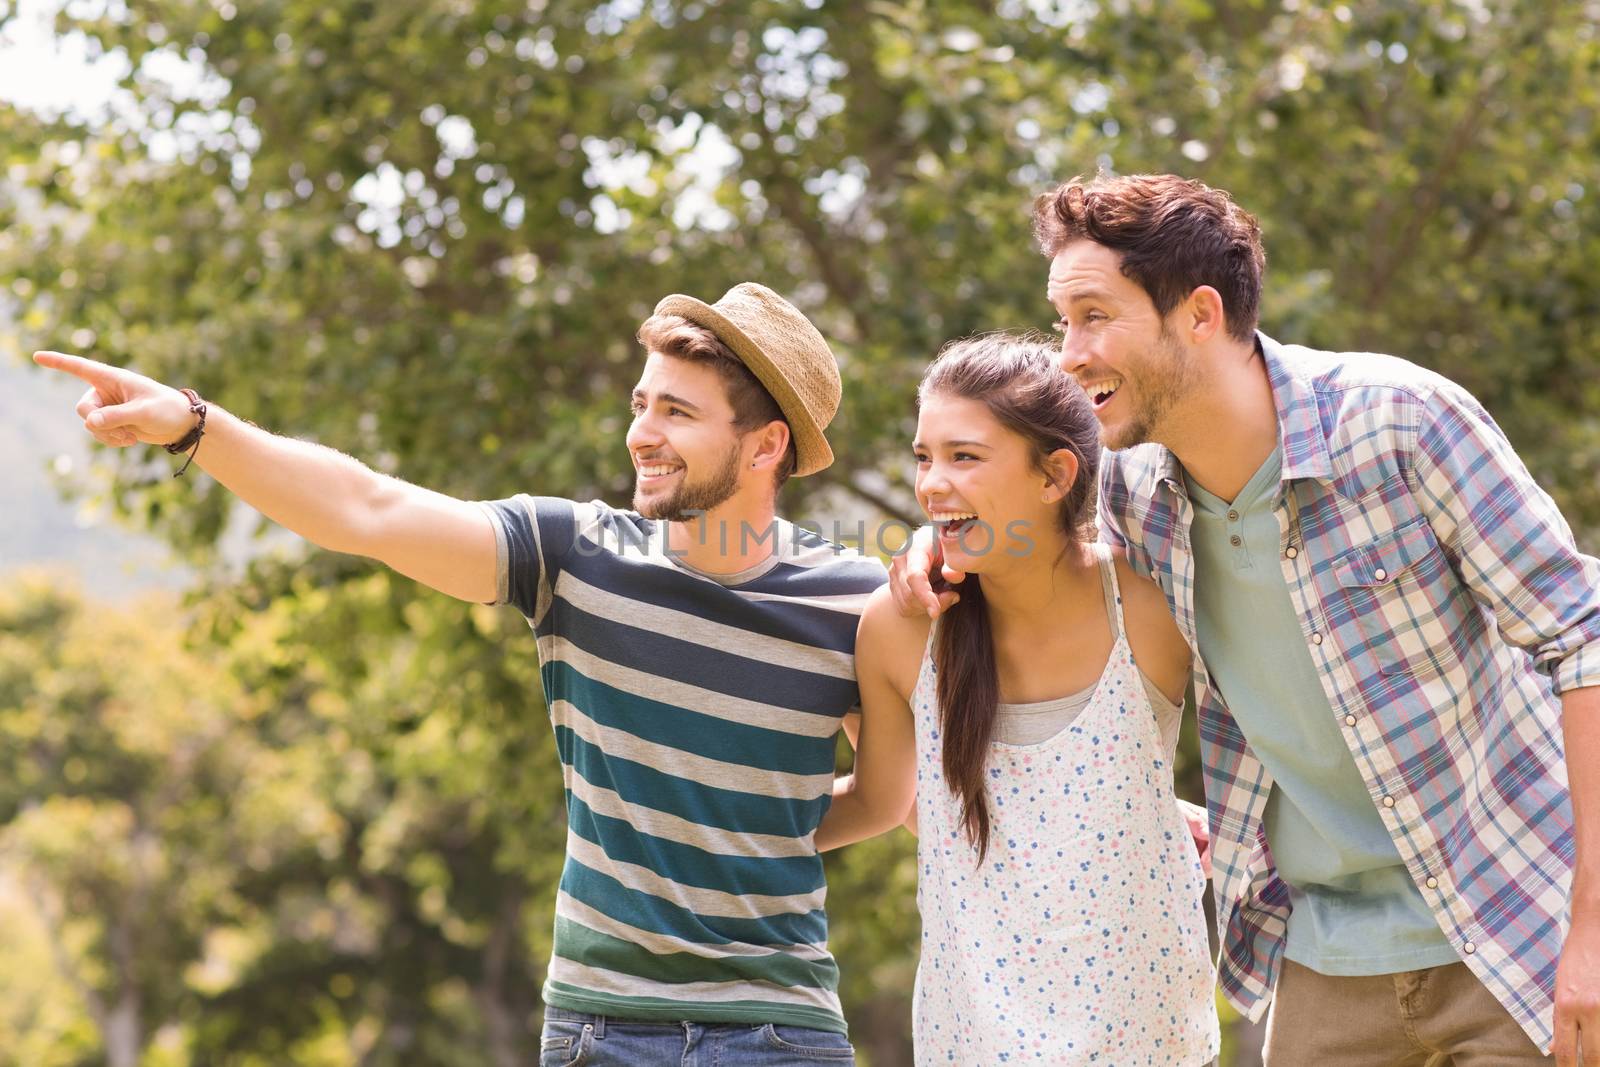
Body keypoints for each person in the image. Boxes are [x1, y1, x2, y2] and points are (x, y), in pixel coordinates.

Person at [36, 282, 887, 1066]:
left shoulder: (857, 603)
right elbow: (367, 507)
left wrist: (743, 828)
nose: (640, 434)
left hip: (783, 1030)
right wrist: (193, 423)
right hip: (606, 1028)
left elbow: (898, 801)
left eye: (676, 411)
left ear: (765, 443)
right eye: (640, 403)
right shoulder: (575, 556)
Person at [892, 173, 1600, 1066]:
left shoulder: (1399, 423)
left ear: (1197, 314)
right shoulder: (1132, 496)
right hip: (1322, 955)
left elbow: (1585, 638)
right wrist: (934, 544)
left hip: (1512, 924)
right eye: (1062, 321)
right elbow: (1016, 532)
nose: (1069, 353)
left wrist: (1593, 926)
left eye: (1094, 316)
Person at [819, 333, 1220, 1065]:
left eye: (964, 456)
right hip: (972, 1042)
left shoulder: (1152, 607)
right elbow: (905, 804)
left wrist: (1173, 817)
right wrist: (712, 839)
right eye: (923, 457)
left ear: (1055, 474)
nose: (932, 483)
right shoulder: (903, 630)